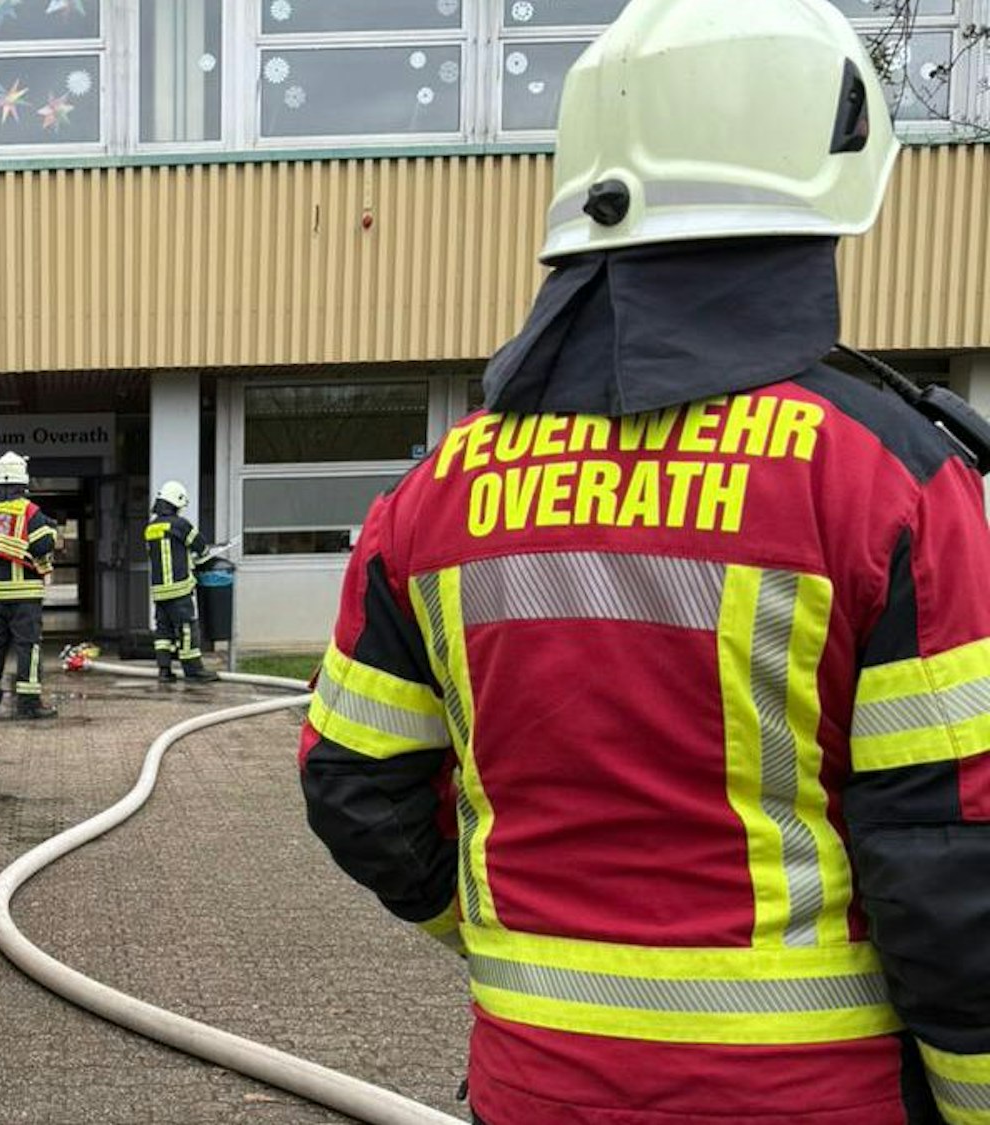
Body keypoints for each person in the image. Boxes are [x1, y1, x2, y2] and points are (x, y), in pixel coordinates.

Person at [298, 3, 990, 1123]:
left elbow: (352, 785)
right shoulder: (880, 480)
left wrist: (494, 935)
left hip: (535, 1088)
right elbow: (952, 854)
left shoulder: (439, 489)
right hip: (811, 1098)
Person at [0, 452, 59, 721]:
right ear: (23, 480)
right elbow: (44, 545)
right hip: (25, 597)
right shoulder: (29, 511)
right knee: (27, 648)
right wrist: (51, 529)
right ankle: (29, 705)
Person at [145, 481, 220, 685]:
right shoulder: (180, 524)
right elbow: (202, 547)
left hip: (159, 591)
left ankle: (164, 671)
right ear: (176, 502)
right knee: (187, 629)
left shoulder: (151, 527)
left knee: (163, 632)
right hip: (179, 589)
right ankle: (194, 671)